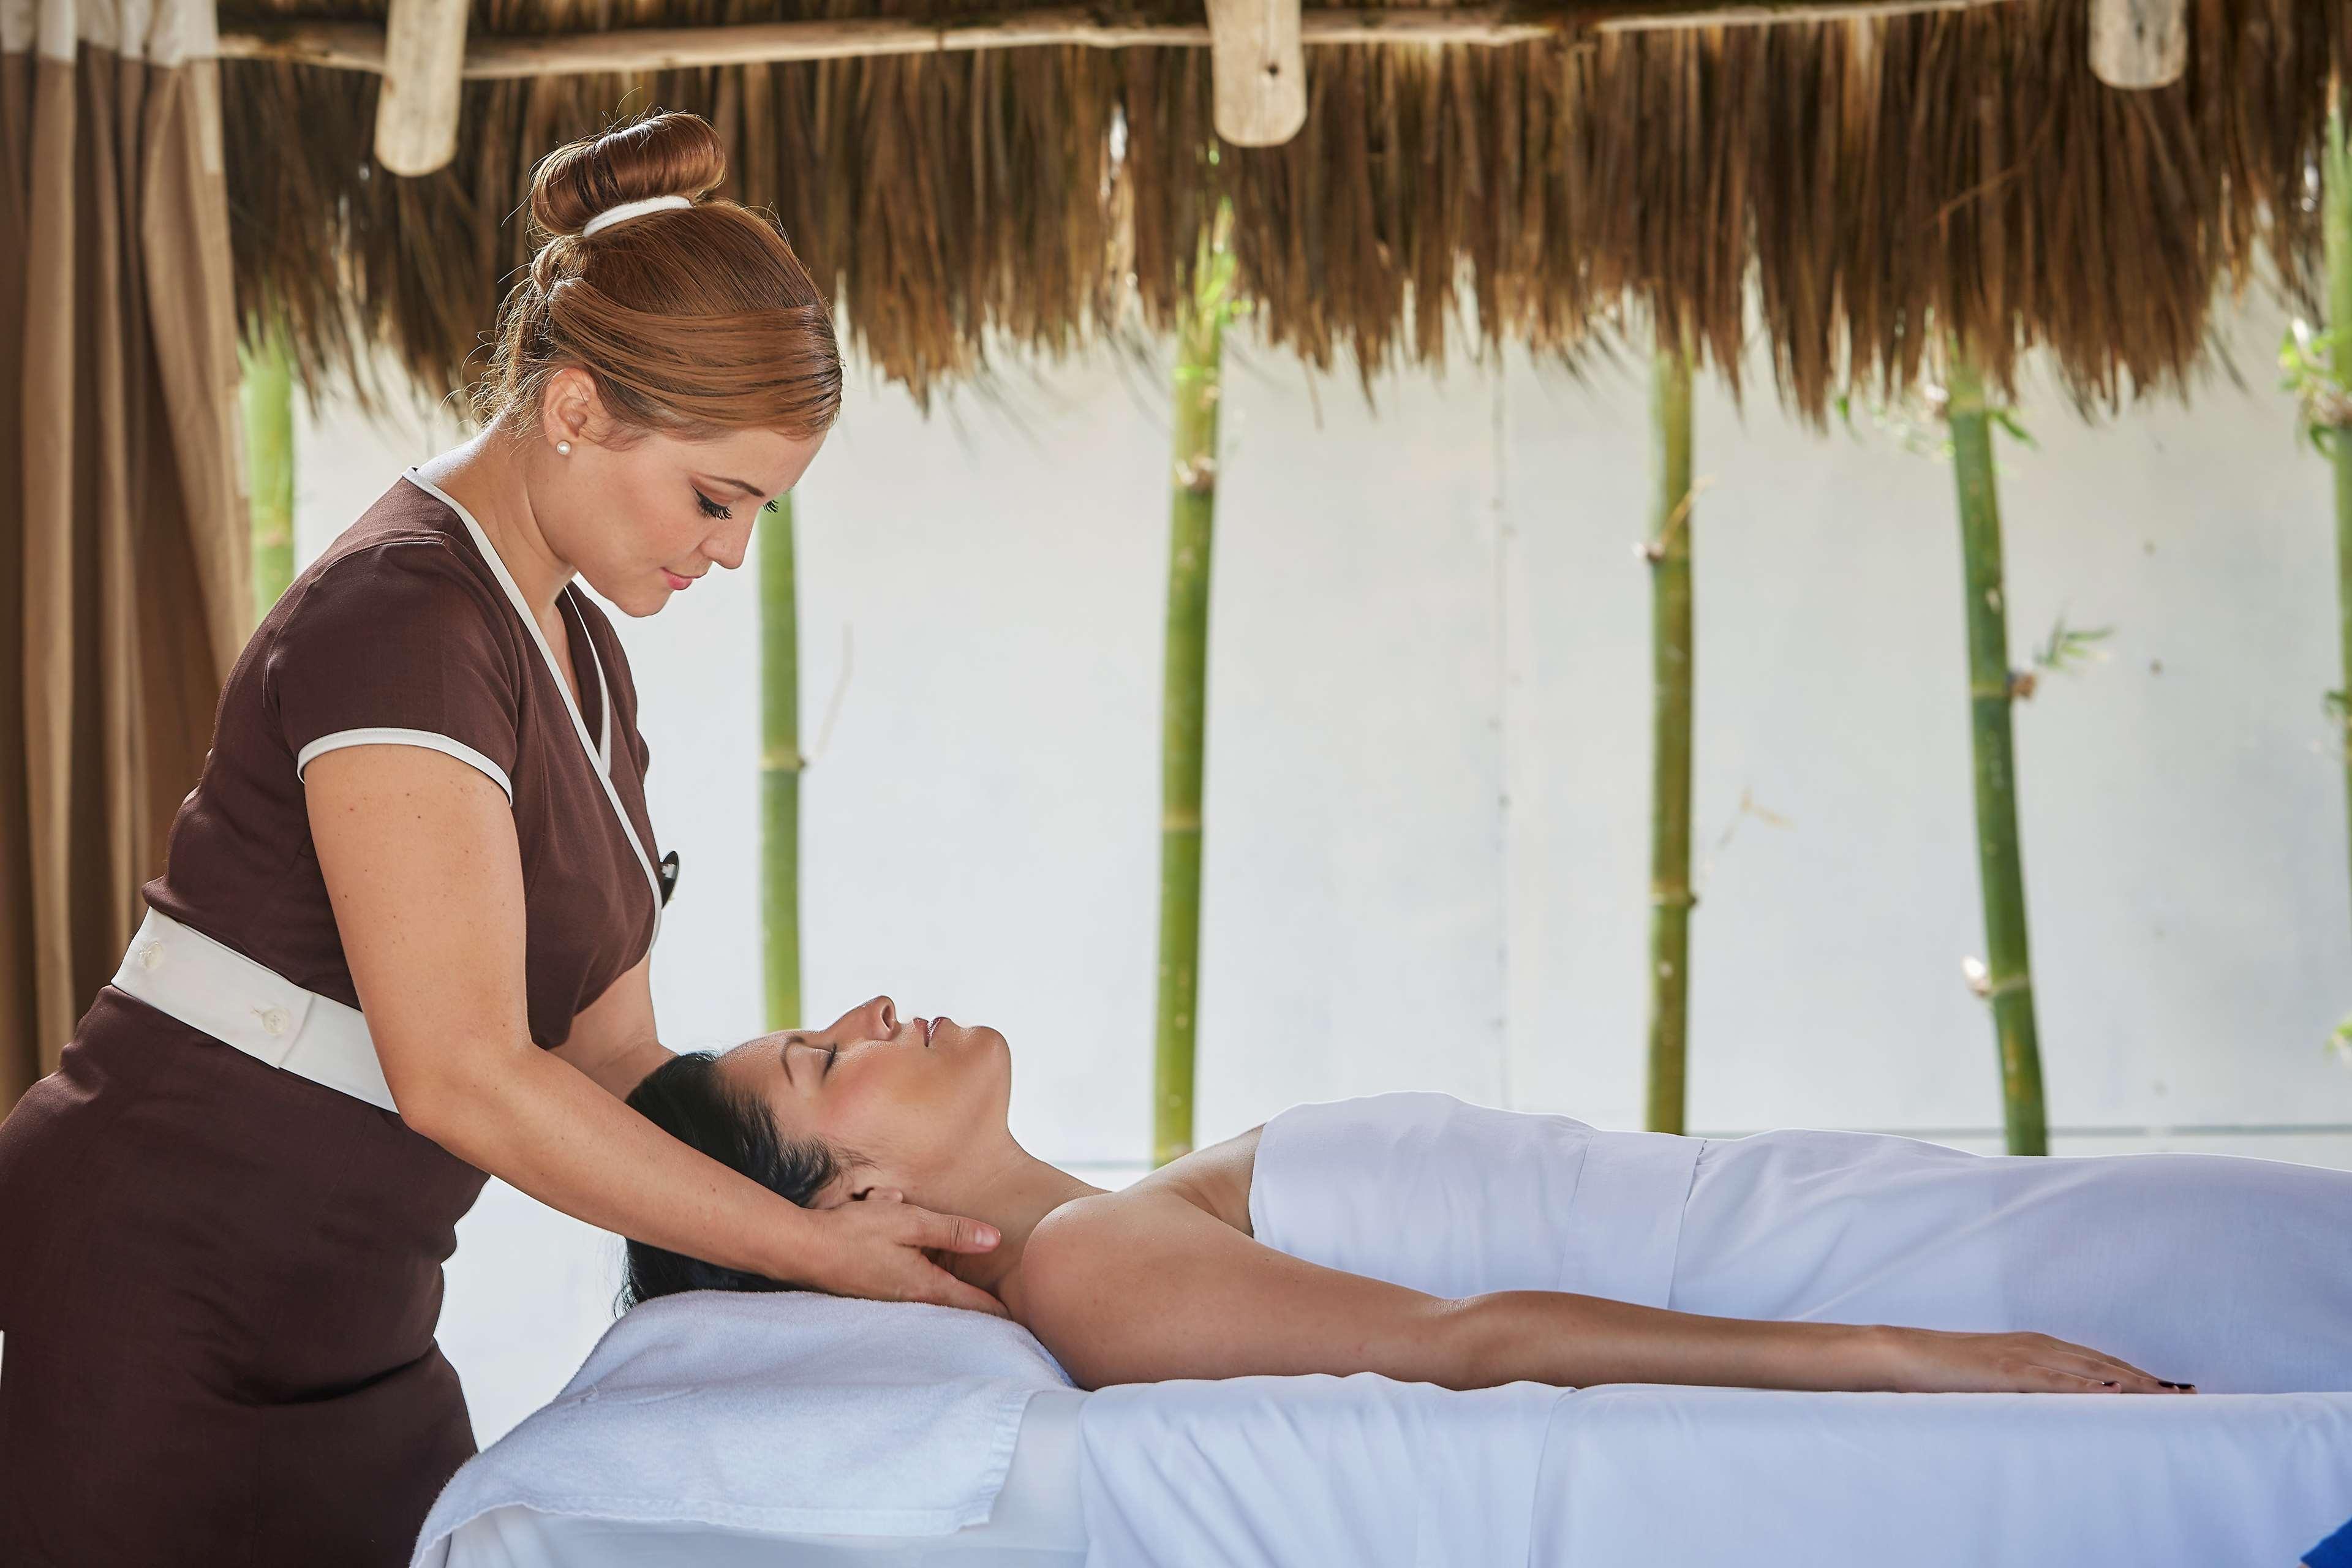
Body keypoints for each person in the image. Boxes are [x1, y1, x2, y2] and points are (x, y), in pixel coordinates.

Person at [0, 111, 1003, 1568]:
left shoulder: (583, 657)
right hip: (163, 1266)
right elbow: (465, 1071)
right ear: (578, 410)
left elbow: (610, 1063)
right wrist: (806, 1247)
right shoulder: (403, 619)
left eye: (758, 516)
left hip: (357, 1302)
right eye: (714, 499)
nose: (728, 550)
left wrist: (825, 1133)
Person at [623, 1001, 2352, 1398]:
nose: (864, 1014)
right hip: (1898, 1267)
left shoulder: (1117, 1223)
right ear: (842, 1195)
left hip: (1867, 1214)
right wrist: (1923, 1357)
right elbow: (1475, 1343)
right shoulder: (1085, 1274)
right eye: (814, 1057)